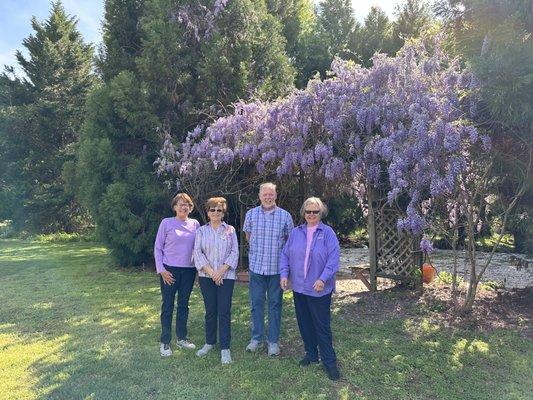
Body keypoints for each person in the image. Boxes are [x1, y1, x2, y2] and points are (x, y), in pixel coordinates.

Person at [280, 197, 341, 381]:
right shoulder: (296, 233)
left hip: (319, 289)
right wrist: (284, 274)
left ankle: (329, 362)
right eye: (308, 212)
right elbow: (285, 255)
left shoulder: (328, 233)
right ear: (303, 213)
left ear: (320, 213)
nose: (312, 215)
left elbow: (333, 259)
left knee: (322, 326)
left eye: (315, 211)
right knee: (305, 324)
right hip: (300, 287)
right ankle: (311, 354)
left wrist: (323, 278)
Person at [243, 182, 294, 356]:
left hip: (276, 270)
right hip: (256, 268)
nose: (268, 197)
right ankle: (256, 338)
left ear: (276, 195)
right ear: (259, 196)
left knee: (275, 305)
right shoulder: (251, 214)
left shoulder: (285, 216)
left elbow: (289, 242)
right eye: (265, 194)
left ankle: (273, 341)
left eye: (271, 194)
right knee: (256, 304)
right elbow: (249, 236)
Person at [193, 197, 239, 364]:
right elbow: (197, 253)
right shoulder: (201, 231)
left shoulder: (230, 230)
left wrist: (221, 271)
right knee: (210, 310)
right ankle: (210, 342)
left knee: (224, 311)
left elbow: (234, 252)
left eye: (219, 210)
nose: (215, 213)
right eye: (212, 210)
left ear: (223, 212)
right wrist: (212, 272)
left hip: (226, 277)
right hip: (207, 276)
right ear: (208, 212)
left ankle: (225, 348)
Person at [154, 193, 200, 357]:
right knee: (167, 305)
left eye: (187, 204)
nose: (184, 206)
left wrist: (199, 269)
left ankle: (182, 338)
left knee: (183, 305)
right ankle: (165, 341)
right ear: (174, 207)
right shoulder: (166, 223)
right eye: (180, 204)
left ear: (190, 207)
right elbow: (158, 248)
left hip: (188, 270)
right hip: (169, 271)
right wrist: (162, 270)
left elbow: (199, 248)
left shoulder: (195, 224)